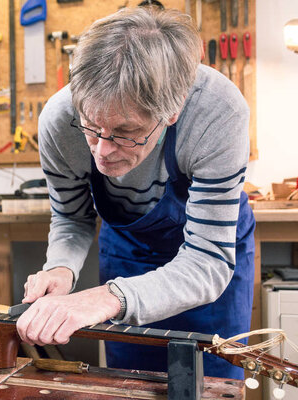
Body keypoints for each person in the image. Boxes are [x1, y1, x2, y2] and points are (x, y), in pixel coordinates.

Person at [16, 6, 254, 380]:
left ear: (172, 111)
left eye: (126, 133)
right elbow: (72, 216)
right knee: (131, 384)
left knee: (212, 384)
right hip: (130, 250)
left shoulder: (218, 113)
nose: (101, 151)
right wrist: (60, 268)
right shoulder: (59, 120)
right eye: (91, 127)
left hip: (209, 260)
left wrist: (108, 297)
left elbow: (207, 261)